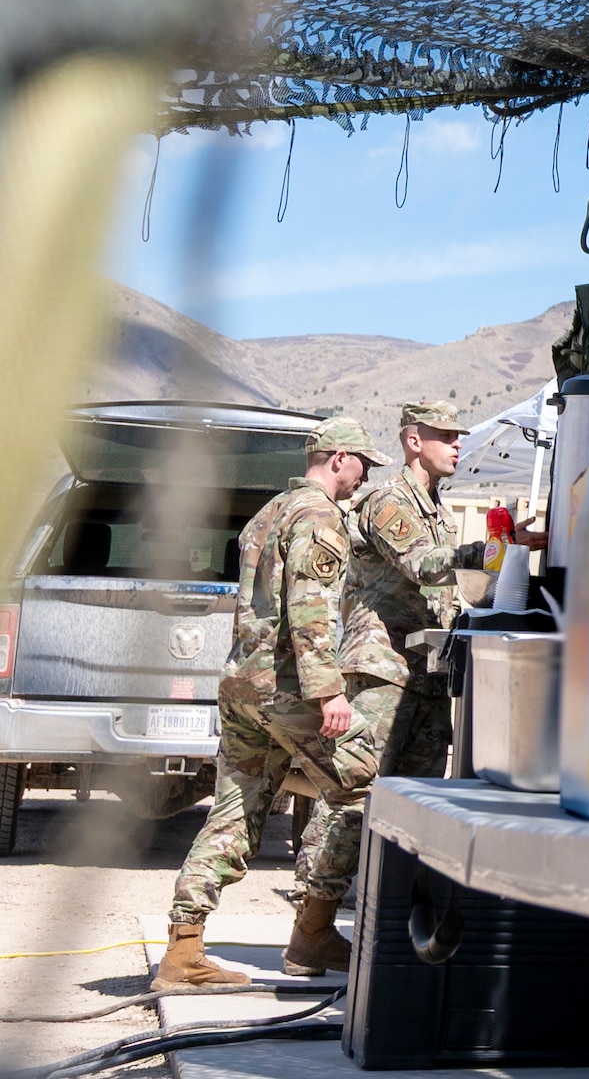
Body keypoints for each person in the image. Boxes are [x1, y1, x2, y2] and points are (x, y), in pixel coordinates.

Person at [155, 417, 391, 989]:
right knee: (366, 783)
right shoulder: (318, 515)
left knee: (234, 810)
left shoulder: (270, 511)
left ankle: (182, 952)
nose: (365, 477)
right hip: (290, 686)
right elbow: (310, 606)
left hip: (244, 683)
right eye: (363, 463)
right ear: (337, 457)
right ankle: (313, 932)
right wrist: (330, 691)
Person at [334, 400, 480, 782]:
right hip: (384, 673)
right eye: (446, 437)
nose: (456, 446)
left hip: (427, 676)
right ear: (414, 442)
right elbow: (422, 565)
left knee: (416, 800)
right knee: (355, 795)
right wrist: (486, 552)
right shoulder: (388, 501)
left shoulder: (439, 512)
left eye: (457, 438)